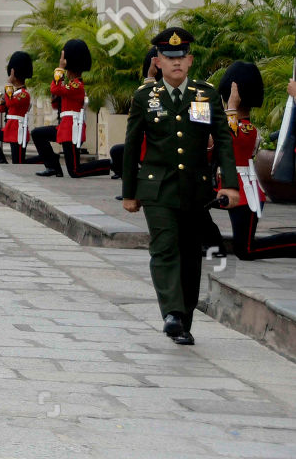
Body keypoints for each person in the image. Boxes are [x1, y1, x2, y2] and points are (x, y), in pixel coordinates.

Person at [121, 27, 238, 346]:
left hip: (195, 189)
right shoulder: (145, 97)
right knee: (165, 247)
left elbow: (224, 141)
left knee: (189, 255)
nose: (175, 62)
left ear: (190, 60)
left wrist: (229, 184)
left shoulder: (205, 95)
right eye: (168, 57)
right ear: (158, 61)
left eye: (181, 57)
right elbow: (132, 146)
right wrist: (129, 192)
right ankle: (171, 312)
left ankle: (183, 321)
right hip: (157, 189)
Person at [218, 62, 296, 259]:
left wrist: (231, 106)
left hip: (245, 193)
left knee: (246, 250)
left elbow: (229, 138)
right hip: (224, 187)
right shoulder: (230, 124)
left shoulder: (246, 129)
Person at [31, 40, 111, 178]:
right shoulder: (70, 85)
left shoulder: (76, 86)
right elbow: (56, 104)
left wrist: (60, 68)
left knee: (75, 171)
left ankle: (109, 164)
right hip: (64, 127)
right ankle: (53, 167)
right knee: (38, 134)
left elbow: (55, 88)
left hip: (71, 130)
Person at [111, 49, 162, 181]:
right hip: (146, 142)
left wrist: (150, 78)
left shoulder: (152, 92)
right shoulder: (146, 92)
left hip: (156, 146)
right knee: (120, 151)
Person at [0, 52, 38, 165]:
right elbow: (3, 109)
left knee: (19, 163)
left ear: (14, 74)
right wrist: (2, 100)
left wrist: (8, 84)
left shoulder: (24, 94)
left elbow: (11, 103)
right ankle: (0, 159)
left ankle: (46, 158)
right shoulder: (14, 92)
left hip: (18, 131)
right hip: (9, 128)